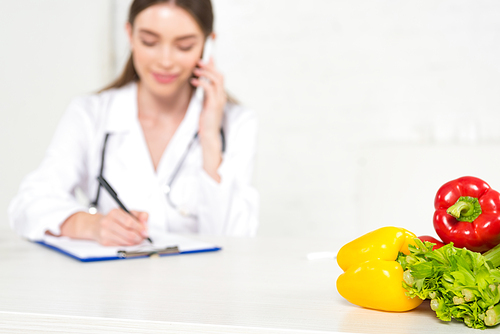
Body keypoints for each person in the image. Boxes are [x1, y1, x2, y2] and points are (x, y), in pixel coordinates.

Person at [8, 0, 259, 246]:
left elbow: (235, 240)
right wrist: (92, 225)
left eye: (184, 46)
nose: (165, 60)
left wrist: (210, 138)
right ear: (129, 34)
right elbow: (27, 204)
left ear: (207, 45)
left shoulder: (235, 123)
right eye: (149, 42)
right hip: (110, 284)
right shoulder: (91, 113)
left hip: (203, 286)